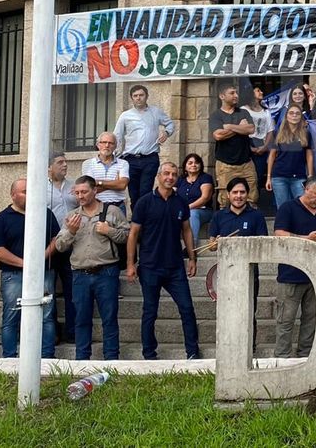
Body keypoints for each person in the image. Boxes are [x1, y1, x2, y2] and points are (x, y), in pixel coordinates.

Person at [127, 162, 200, 360]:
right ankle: (149, 354)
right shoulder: (144, 202)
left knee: (187, 308)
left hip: (175, 266)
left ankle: (193, 352)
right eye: (166, 173)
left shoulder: (181, 202)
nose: (170, 177)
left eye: (174, 174)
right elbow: (133, 234)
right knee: (150, 311)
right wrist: (130, 264)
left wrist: (192, 257)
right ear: (159, 176)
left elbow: (186, 229)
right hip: (150, 266)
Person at [56, 176, 130, 361]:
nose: (80, 196)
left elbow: (127, 236)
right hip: (80, 274)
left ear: (95, 191)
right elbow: (59, 246)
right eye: (77, 192)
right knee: (81, 319)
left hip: (106, 272)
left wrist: (109, 231)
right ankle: (82, 359)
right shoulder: (72, 216)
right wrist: (71, 232)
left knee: (109, 318)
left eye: (84, 192)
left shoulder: (112, 211)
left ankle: (112, 359)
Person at [0, 178, 58, 359]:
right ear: (13, 195)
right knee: (11, 318)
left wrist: (41, 259)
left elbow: (55, 240)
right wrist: (26, 265)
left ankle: (47, 357)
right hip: (13, 276)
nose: (31, 195)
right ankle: (10, 359)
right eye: (25, 191)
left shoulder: (46, 214)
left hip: (44, 273)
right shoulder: (1, 219)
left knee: (47, 317)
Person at [274, 176, 316, 357]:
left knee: (311, 319)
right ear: (305, 189)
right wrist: (307, 239)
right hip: (291, 274)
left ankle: (306, 355)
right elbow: (279, 234)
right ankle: (282, 358)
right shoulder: (288, 208)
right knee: (285, 320)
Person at [208, 177, 269, 347]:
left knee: (249, 311)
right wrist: (216, 242)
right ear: (228, 195)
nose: (238, 196)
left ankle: (250, 347)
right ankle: (228, 346)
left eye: (242, 192)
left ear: (247, 194)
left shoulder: (256, 216)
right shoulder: (219, 216)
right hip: (226, 273)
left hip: (249, 273)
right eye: (235, 192)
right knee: (227, 311)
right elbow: (211, 245)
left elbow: (263, 244)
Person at [113, 84, 175, 207]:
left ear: (146, 96)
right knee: (134, 194)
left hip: (150, 158)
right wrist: (113, 156)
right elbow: (117, 136)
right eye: (135, 96)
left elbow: (170, 124)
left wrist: (167, 133)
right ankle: (137, 221)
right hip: (130, 159)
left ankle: (145, 221)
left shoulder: (156, 112)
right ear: (132, 98)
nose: (138, 98)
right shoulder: (125, 115)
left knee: (145, 192)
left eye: (141, 95)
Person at [209, 83, 258, 208]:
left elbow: (251, 129)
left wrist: (230, 127)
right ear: (222, 96)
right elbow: (218, 136)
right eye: (232, 93)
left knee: (252, 198)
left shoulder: (243, 112)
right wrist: (240, 128)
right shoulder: (216, 115)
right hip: (226, 165)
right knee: (225, 200)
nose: (236, 95)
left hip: (246, 163)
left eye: (236, 93)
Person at [46, 151, 76, 343]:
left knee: (72, 289)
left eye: (66, 162)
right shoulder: (39, 187)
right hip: (49, 244)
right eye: (60, 162)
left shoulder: (74, 186)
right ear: (49, 167)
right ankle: (53, 332)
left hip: (72, 243)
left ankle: (73, 332)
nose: (65, 165)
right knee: (49, 290)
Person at [266, 104, 313, 209]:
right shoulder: (277, 133)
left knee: (302, 207)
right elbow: (272, 155)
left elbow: (309, 155)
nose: (294, 116)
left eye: (297, 113)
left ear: (301, 116)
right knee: (283, 208)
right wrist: (268, 177)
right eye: (291, 113)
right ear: (286, 116)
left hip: (299, 177)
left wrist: (310, 175)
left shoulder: (306, 133)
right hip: (279, 176)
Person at [81, 132, 130, 214]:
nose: (107, 145)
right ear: (97, 145)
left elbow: (122, 185)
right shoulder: (87, 163)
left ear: (115, 146)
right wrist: (115, 183)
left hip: (118, 207)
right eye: (103, 142)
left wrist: (98, 182)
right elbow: (88, 189)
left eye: (111, 143)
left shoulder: (123, 163)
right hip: (96, 207)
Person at [242, 85, 275, 194]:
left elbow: (270, 129)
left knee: (258, 176)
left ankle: (254, 200)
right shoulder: (243, 109)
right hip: (247, 144)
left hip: (262, 144)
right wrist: (250, 148)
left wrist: (265, 146)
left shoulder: (266, 111)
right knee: (246, 177)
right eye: (258, 90)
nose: (261, 92)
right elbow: (241, 130)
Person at [178, 153, 215, 243]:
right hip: (182, 211)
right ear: (185, 166)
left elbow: (205, 198)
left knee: (192, 213)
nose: (193, 165)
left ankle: (191, 246)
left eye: (196, 163)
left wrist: (187, 208)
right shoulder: (180, 180)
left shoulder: (205, 178)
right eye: (190, 163)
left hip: (203, 211)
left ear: (200, 165)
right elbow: (172, 194)